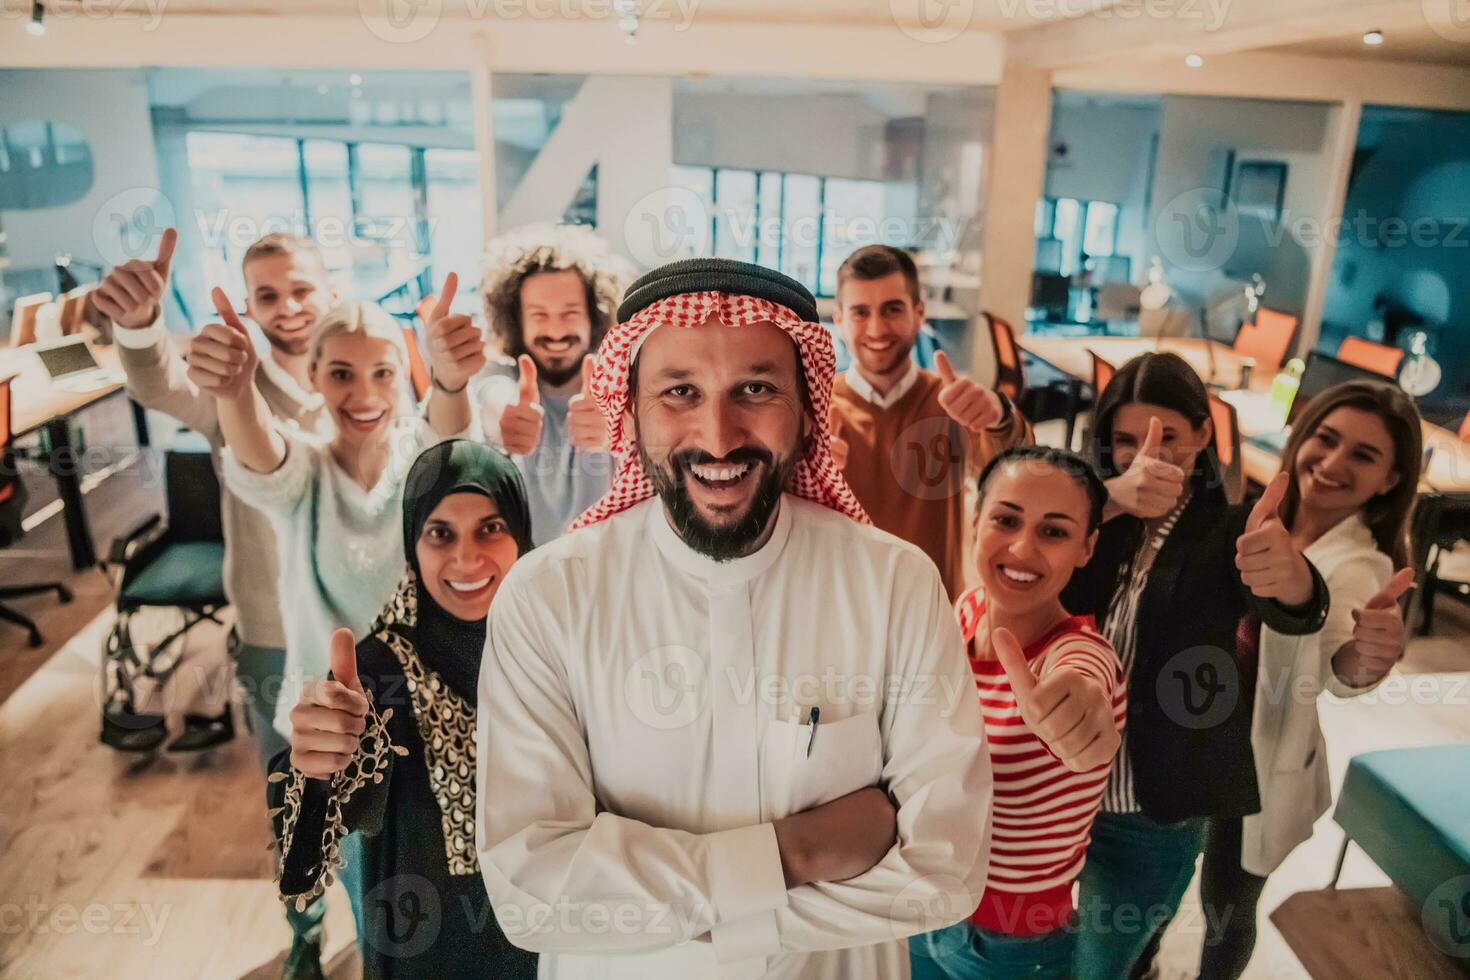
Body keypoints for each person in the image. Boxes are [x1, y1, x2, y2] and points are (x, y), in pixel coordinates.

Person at [476, 258, 994, 979]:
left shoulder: (894, 584)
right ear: (629, 412)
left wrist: (645, 903)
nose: (718, 436)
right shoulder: (547, 598)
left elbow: (945, 869)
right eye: (679, 391)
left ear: (810, 407)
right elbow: (531, 892)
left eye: (755, 389)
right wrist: (797, 852)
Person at [94, 228, 336, 975]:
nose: (287, 307)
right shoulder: (233, 374)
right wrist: (139, 326)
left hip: (375, 629)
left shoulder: (363, 369)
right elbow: (160, 381)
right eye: (267, 295)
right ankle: (306, 929)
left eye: (300, 288)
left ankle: (388, 924)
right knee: (295, 796)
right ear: (249, 304)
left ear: (326, 288)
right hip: (274, 631)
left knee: (382, 795)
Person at [1061, 351, 1330, 980]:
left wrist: (1293, 581)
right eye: (1124, 441)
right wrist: (1104, 500)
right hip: (1054, 792)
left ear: (1206, 435)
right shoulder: (1090, 519)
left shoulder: (1229, 529)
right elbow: (1024, 547)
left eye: (1169, 439)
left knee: (1100, 963)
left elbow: (1292, 603)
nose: (1145, 457)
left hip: (1148, 808)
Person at [1140, 380, 1417, 980]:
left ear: (1391, 480)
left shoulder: (1360, 563)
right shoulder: (1250, 515)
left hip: (1260, 768)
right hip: (1191, 736)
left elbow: (1336, 667)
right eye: (1327, 439)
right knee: (1162, 876)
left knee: (1227, 904)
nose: (1334, 463)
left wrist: (1367, 660)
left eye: (1364, 456)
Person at [269, 440, 538, 980]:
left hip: (551, 939)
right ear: (413, 544)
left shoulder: (557, 652)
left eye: (491, 528)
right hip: (426, 947)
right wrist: (315, 769)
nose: (467, 558)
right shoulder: (377, 671)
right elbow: (308, 859)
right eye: (441, 533)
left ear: (522, 537)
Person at [911, 446, 1125, 980]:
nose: (1023, 547)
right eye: (1006, 520)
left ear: (1086, 548)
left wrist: (1079, 716)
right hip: (919, 906)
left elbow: (1083, 689)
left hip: (1008, 942)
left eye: (1054, 532)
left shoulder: (1082, 656)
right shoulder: (964, 610)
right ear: (975, 521)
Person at [828, 245, 1031, 600]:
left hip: (933, 608)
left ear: (919, 313)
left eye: (893, 309)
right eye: (861, 312)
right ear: (839, 320)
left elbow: (1021, 475)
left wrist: (999, 416)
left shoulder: (954, 403)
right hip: (842, 607)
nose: (877, 329)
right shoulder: (816, 407)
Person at [474, 222, 635, 544]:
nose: (556, 330)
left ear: (594, 316)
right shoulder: (499, 376)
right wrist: (505, 418)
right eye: (539, 315)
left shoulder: (626, 385)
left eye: (570, 312)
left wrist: (618, 431)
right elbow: (491, 397)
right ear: (516, 321)